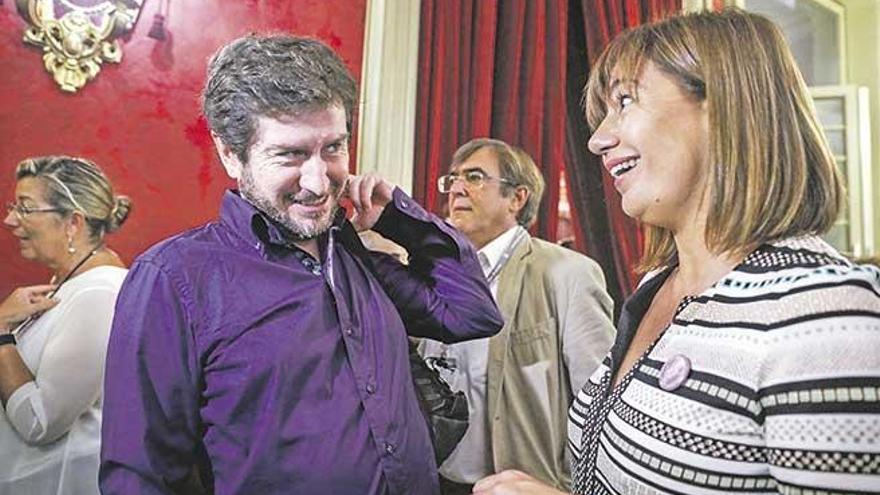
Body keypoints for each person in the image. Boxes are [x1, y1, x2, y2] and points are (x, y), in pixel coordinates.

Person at [474, 8, 880, 495]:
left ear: (726, 104)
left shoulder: (826, 316)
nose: (598, 139)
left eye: (624, 101)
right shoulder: (655, 287)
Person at [99, 34, 503, 495]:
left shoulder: (352, 255)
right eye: (290, 154)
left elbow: (471, 312)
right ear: (230, 154)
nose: (318, 182)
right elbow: (140, 474)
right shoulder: (174, 278)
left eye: (332, 149)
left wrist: (400, 221)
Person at [420, 138, 614, 493]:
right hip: (438, 481)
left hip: (523, 485)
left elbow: (600, 402)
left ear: (517, 198)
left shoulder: (569, 273)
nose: (457, 188)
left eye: (474, 177)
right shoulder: (434, 274)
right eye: (452, 179)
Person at [0, 156, 131, 494]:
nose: (10, 220)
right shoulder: (71, 283)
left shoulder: (99, 294)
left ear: (72, 222)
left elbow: (39, 422)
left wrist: (1, 334)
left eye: (26, 209)